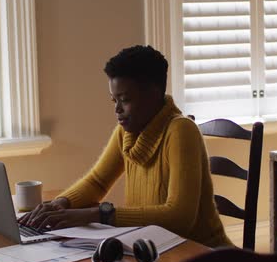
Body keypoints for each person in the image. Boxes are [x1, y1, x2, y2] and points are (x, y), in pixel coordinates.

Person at [19, 45, 232, 247]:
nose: (117, 110)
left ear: (153, 95)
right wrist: (61, 203)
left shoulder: (181, 131)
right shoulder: (126, 133)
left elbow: (179, 217)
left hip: (202, 255)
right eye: (114, 100)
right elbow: (97, 181)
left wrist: (100, 215)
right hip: (152, 248)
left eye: (125, 99)